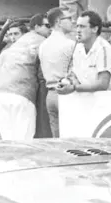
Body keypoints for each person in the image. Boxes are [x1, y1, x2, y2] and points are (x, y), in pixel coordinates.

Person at [0, 14, 48, 141]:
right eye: (48, 26)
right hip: (22, 96)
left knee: (6, 144)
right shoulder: (42, 41)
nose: (51, 29)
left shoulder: (11, 48)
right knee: (24, 143)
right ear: (37, 27)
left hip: (0, 95)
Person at [57, 10, 111, 96]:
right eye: (77, 26)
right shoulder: (78, 48)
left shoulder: (103, 48)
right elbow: (75, 75)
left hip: (106, 104)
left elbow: (102, 84)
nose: (78, 30)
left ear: (95, 29)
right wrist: (68, 83)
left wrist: (75, 87)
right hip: (86, 102)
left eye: (82, 26)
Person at [38, 7, 76, 137]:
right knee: (72, 137)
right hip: (66, 93)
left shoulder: (43, 45)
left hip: (50, 94)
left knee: (57, 137)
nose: (73, 21)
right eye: (69, 18)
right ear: (59, 22)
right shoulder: (70, 44)